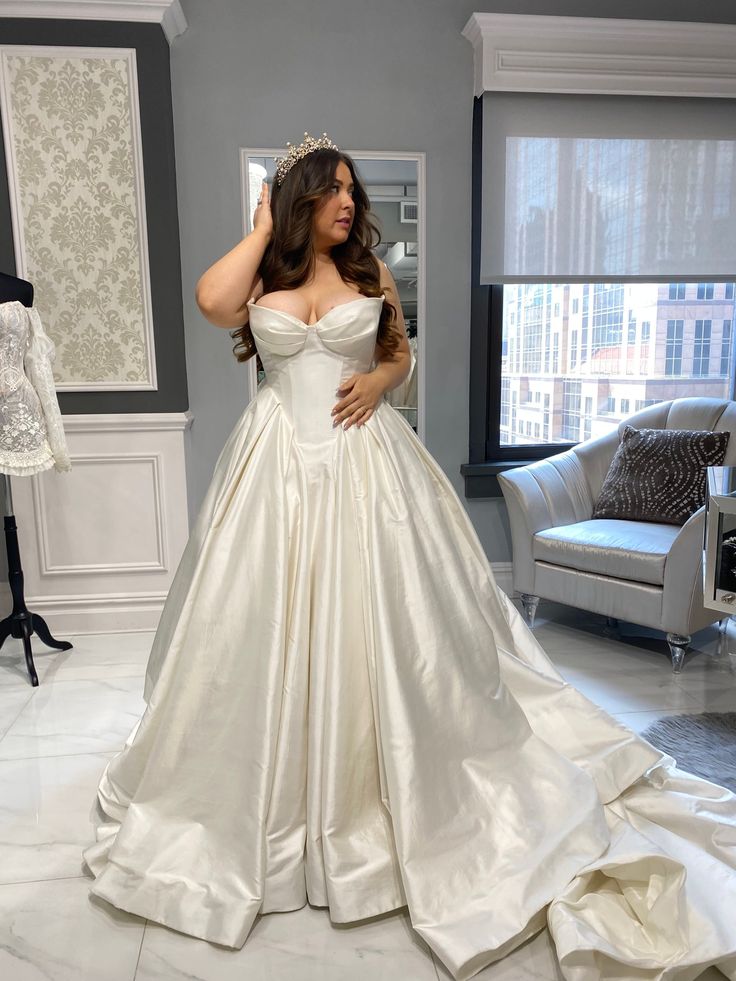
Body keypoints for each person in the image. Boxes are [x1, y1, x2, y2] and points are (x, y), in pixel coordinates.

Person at [82, 132, 736, 981]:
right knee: (257, 628)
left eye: (353, 190)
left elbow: (399, 352)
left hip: (365, 465)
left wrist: (383, 382)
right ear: (299, 200)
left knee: (389, 631)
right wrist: (259, 219)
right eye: (330, 191)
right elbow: (212, 302)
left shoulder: (366, 275)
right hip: (276, 467)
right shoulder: (265, 277)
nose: (348, 203)